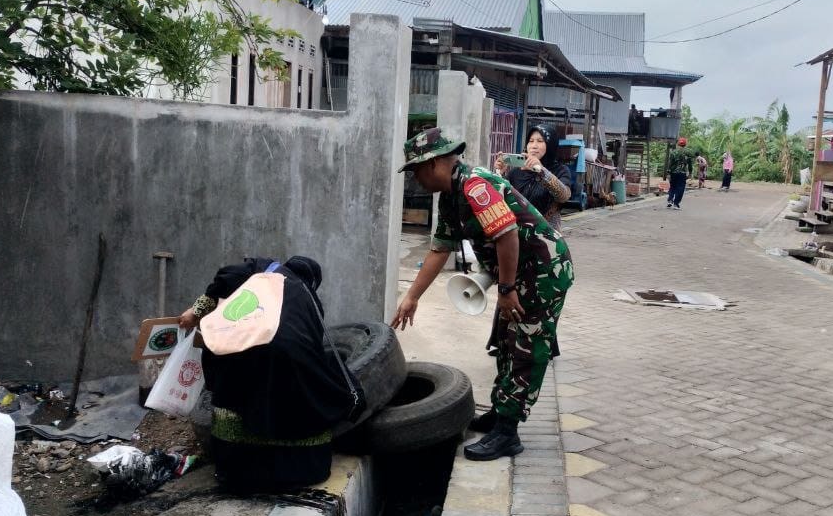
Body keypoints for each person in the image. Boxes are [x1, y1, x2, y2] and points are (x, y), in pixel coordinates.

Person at [391, 128, 574, 461]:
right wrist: (412, 297)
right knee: (505, 341)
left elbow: (507, 236)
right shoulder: (451, 195)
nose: (415, 179)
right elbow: (439, 249)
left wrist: (505, 290)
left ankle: (508, 433)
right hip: (520, 273)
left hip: (544, 273)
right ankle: (500, 414)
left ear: (434, 164)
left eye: (416, 170)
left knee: (527, 347)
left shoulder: (475, 186)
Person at [177, 255, 356, 492]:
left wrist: (195, 311)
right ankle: (291, 469)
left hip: (237, 356)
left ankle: (237, 469)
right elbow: (313, 345)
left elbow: (224, 280)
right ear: (312, 281)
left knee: (234, 390)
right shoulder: (309, 299)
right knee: (319, 386)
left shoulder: (256, 270)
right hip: (291, 363)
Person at [495, 125, 571, 230]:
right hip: (517, 234)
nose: (534, 146)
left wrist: (541, 171)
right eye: (531, 141)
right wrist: (500, 173)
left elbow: (564, 196)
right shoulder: (516, 172)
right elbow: (500, 197)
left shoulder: (560, 170)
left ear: (550, 145)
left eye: (540, 141)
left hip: (546, 236)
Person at [666, 137, 691, 209]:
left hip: (673, 172)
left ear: (678, 144)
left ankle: (670, 200)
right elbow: (690, 164)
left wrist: (668, 172)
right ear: (685, 144)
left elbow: (670, 163)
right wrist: (690, 172)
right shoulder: (688, 153)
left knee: (672, 186)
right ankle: (676, 204)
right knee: (680, 188)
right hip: (682, 173)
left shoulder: (673, 152)